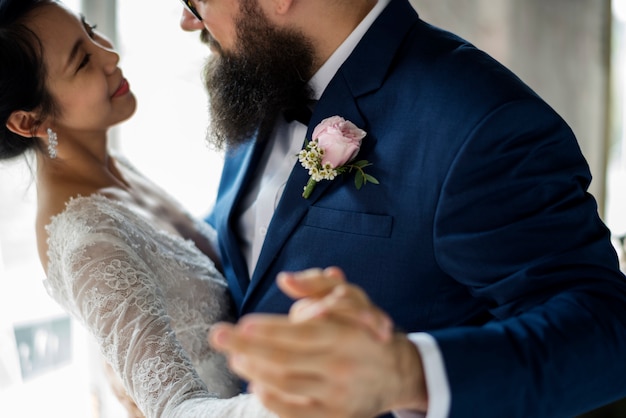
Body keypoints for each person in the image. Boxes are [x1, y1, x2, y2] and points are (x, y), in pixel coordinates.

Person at [174, 0, 626, 417]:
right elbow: (247, 247)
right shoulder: (264, 78)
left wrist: (409, 373)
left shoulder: (482, 124)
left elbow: (608, 329)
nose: (189, 20)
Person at [0, 1, 288, 416]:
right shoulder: (86, 241)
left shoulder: (110, 167)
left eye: (91, 30)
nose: (109, 54)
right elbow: (177, 410)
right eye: (82, 61)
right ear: (29, 122)